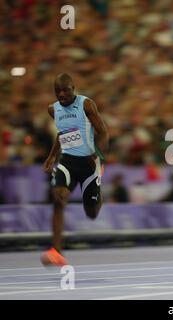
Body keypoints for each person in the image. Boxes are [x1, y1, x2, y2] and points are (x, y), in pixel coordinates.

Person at [41, 73, 109, 266]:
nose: (61, 94)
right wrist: (52, 156)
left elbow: (103, 131)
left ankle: (98, 195)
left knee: (92, 213)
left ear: (73, 88)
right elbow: (63, 133)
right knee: (58, 198)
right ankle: (56, 251)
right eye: (57, 91)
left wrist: (98, 154)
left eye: (65, 90)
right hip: (67, 162)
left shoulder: (86, 105)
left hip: (88, 164)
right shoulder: (53, 109)